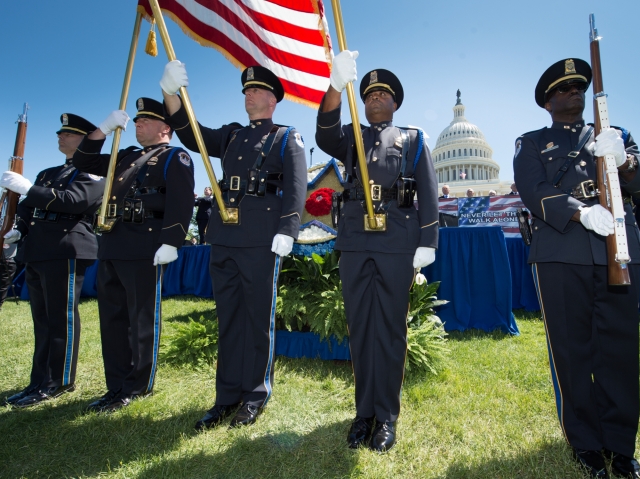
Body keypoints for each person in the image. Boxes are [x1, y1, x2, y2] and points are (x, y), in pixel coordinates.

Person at [514, 58, 640, 478]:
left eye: (578, 86)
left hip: (619, 250)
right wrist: (580, 212)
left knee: (619, 349)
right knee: (572, 351)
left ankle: (620, 445)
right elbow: (532, 189)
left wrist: (625, 161)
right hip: (562, 250)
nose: (573, 92)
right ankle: (586, 443)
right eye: (563, 89)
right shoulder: (532, 141)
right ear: (547, 102)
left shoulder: (614, 134)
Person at [160, 61, 307, 430]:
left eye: (255, 90)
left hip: (261, 238)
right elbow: (190, 133)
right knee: (228, 318)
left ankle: (255, 394)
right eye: (245, 91)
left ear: (272, 100)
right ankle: (226, 397)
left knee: (258, 319)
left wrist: (288, 229)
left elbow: (296, 186)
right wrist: (169, 93)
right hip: (225, 237)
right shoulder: (230, 135)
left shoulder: (287, 136)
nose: (248, 95)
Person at [315, 51, 438, 452]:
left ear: (395, 102)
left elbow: (429, 194)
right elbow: (322, 132)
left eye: (382, 94)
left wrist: (428, 242)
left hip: (396, 240)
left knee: (390, 329)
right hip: (354, 239)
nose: (374, 100)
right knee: (361, 328)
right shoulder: (351, 136)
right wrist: (336, 86)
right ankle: (363, 413)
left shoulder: (413, 138)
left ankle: (386, 416)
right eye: (368, 95)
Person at [72, 99, 195, 413]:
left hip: (146, 246)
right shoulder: (124, 155)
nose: (138, 125)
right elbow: (83, 160)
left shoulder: (174, 157)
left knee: (140, 319)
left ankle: (137, 385)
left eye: (146, 121)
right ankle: (116, 385)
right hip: (113, 243)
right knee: (112, 319)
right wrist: (102, 130)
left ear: (165, 127)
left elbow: (181, 203)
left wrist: (172, 241)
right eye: (136, 121)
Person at [0, 114, 105, 408]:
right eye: (60, 133)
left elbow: (76, 201)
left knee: (61, 319)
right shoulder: (47, 173)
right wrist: (19, 229)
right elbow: (28, 208)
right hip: (38, 249)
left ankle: (59, 380)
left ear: (84, 140)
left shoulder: (92, 172)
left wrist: (29, 189)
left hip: (65, 247)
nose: (60, 136)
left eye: (67, 133)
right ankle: (39, 380)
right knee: (42, 321)